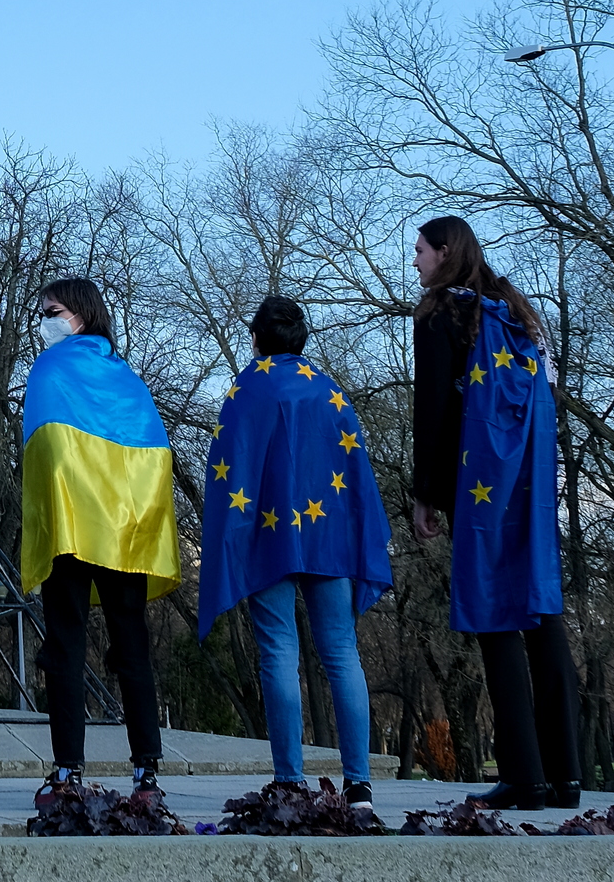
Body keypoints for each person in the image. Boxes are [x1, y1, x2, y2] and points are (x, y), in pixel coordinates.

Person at [411, 214, 581, 810]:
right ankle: (566, 774)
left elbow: (431, 408)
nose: (416, 263)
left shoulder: (439, 314)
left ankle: (524, 777)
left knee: (492, 612)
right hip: (526, 477)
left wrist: (423, 491)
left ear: (445, 253)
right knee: (540, 609)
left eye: (421, 252)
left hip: (473, 474)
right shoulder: (512, 310)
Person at [197, 294, 394, 805]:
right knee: (341, 653)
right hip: (328, 539)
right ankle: (359, 785)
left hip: (267, 540)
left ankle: (289, 781)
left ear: (258, 338)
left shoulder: (247, 390)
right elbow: (357, 477)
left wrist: (228, 540)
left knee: (278, 651)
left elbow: (227, 471)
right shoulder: (329, 392)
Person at [20, 276, 180, 794]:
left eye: (52, 310)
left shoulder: (49, 369)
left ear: (80, 316)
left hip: (70, 529)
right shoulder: (128, 379)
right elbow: (155, 460)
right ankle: (146, 767)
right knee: (131, 643)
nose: (44, 321)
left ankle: (68, 768)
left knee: (66, 645)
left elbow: (45, 455)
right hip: (127, 534)